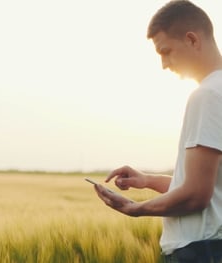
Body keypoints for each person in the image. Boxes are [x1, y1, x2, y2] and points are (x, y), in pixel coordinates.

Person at [92, 1, 222, 262]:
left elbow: (197, 195)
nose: (164, 64)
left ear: (192, 40)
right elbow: (210, 185)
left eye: (166, 51)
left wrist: (134, 208)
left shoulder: (207, 95)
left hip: (198, 250)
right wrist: (148, 180)